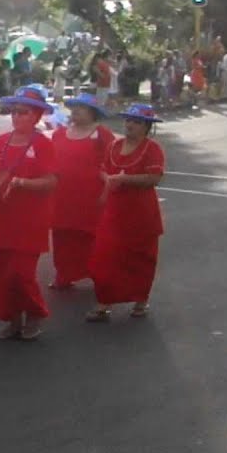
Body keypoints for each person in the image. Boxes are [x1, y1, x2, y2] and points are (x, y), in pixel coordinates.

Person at [0, 84, 57, 341]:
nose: (16, 116)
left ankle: (35, 313)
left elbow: (51, 181)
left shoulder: (43, 144)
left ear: (36, 116)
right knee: (3, 274)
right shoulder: (2, 141)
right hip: (4, 218)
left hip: (31, 220)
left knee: (20, 273)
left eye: (23, 112)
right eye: (14, 111)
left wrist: (22, 183)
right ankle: (12, 319)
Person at [86, 104, 166, 321]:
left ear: (147, 127)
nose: (130, 125)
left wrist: (125, 179)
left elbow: (154, 178)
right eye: (128, 120)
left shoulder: (152, 149)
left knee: (141, 258)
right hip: (114, 211)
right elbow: (103, 169)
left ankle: (140, 300)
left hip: (141, 213)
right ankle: (104, 302)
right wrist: (107, 180)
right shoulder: (114, 145)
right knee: (104, 255)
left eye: (137, 122)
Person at [49, 93, 114, 290]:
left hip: (91, 197)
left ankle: (98, 273)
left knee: (91, 236)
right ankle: (64, 275)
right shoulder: (59, 133)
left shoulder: (102, 134)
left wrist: (106, 190)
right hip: (62, 196)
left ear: (93, 113)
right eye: (74, 106)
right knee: (62, 235)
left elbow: (112, 163)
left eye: (82, 107)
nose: (76, 110)